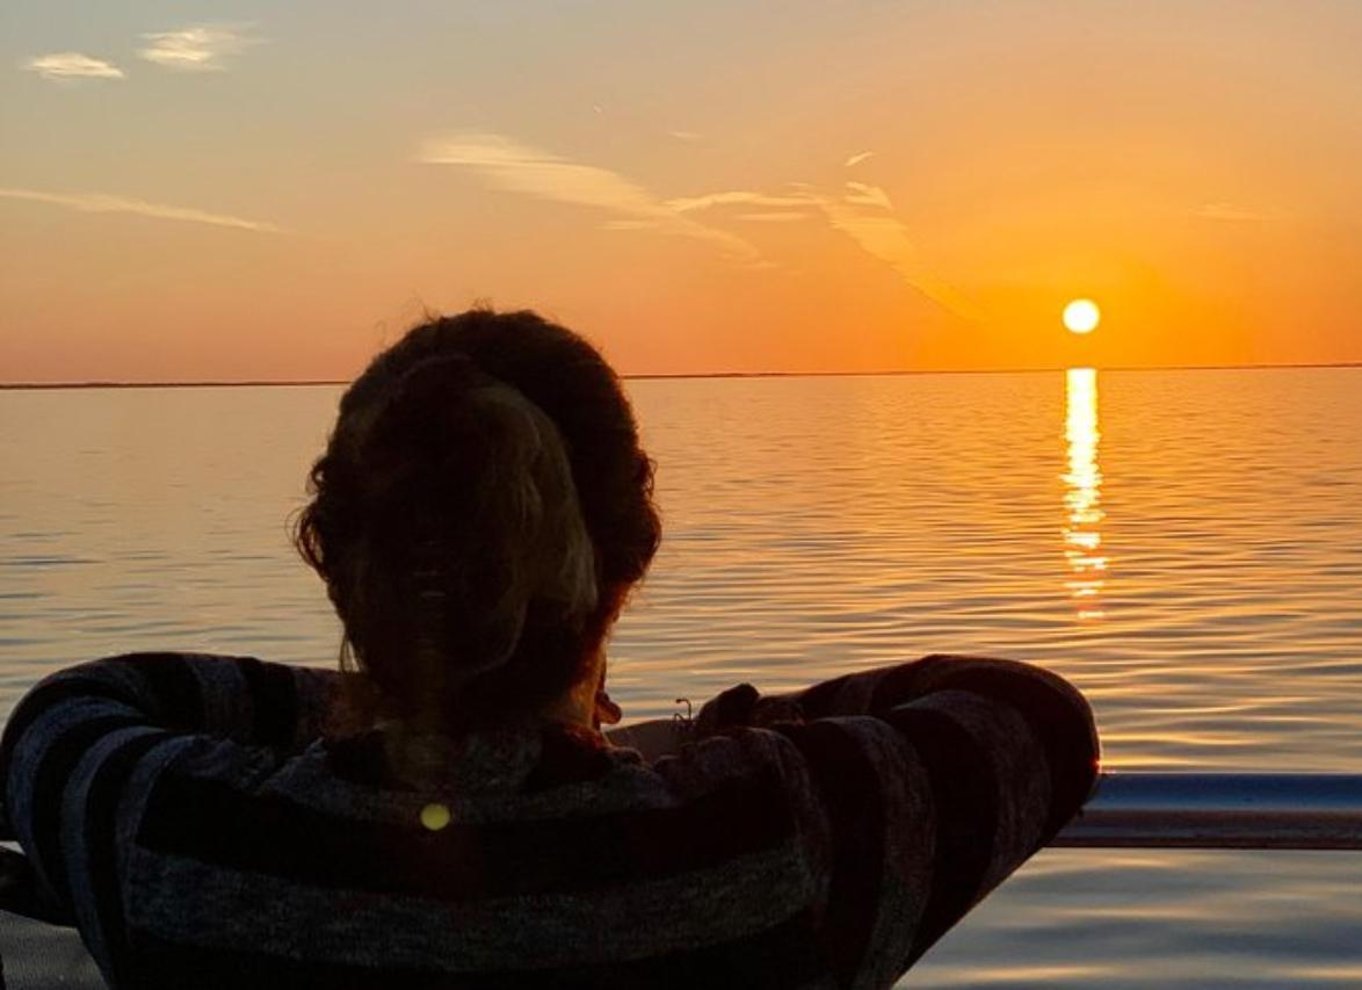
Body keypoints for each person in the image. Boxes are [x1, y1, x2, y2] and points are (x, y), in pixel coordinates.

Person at [0, 308, 1099, 989]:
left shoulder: (175, 840)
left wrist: (387, 695)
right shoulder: (764, 840)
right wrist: (735, 736)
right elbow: (1033, 719)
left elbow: (79, 708)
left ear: (335, 558)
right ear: (628, 558)